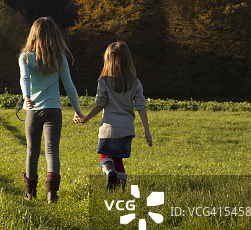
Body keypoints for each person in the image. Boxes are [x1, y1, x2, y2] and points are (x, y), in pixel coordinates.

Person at [18, 17, 84, 203]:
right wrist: (77, 110)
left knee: (32, 151)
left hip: (33, 110)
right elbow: (69, 86)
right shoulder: (59, 59)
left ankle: (30, 193)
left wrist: (27, 97)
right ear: (55, 36)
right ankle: (51, 195)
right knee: (52, 151)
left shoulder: (25, 57)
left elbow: (25, 79)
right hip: (53, 110)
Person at [76, 41, 152, 188]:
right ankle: (120, 187)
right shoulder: (135, 83)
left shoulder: (104, 82)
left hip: (108, 129)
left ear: (108, 60)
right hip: (127, 130)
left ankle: (109, 171)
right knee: (118, 159)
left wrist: (86, 119)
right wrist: (147, 130)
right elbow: (141, 107)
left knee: (106, 157)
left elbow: (100, 105)